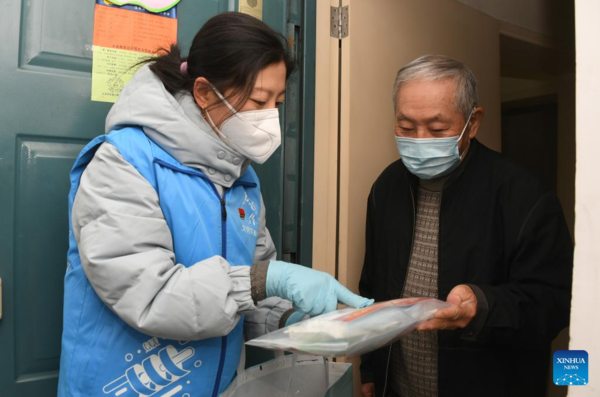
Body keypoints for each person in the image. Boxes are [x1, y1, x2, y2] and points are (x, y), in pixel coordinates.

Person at [58, 13, 371, 397]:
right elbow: (150, 295)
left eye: (278, 101)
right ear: (204, 93)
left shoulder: (241, 178)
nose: (270, 117)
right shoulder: (124, 162)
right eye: (259, 100)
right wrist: (264, 278)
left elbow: (251, 295)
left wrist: (298, 320)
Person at [359, 55, 573, 397]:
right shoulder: (386, 188)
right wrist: (370, 368)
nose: (420, 139)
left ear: (472, 123)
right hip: (397, 386)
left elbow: (553, 303)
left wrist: (481, 307)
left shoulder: (525, 195)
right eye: (406, 126)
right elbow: (373, 285)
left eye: (438, 128)